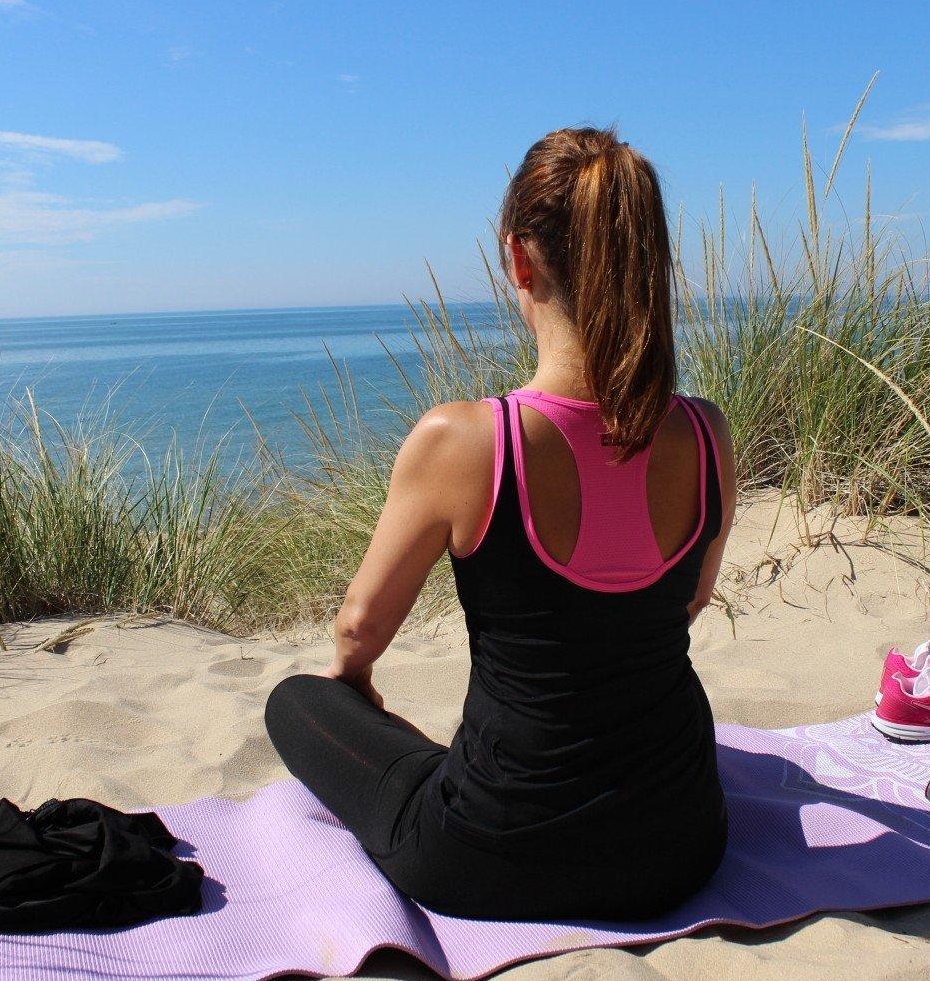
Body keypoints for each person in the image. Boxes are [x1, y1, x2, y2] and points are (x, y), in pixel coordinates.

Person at [264, 126, 737, 921]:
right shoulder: (706, 433)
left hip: (493, 856)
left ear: (518, 258)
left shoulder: (464, 441)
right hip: (681, 845)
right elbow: (688, 601)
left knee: (294, 700)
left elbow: (355, 632)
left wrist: (355, 690)